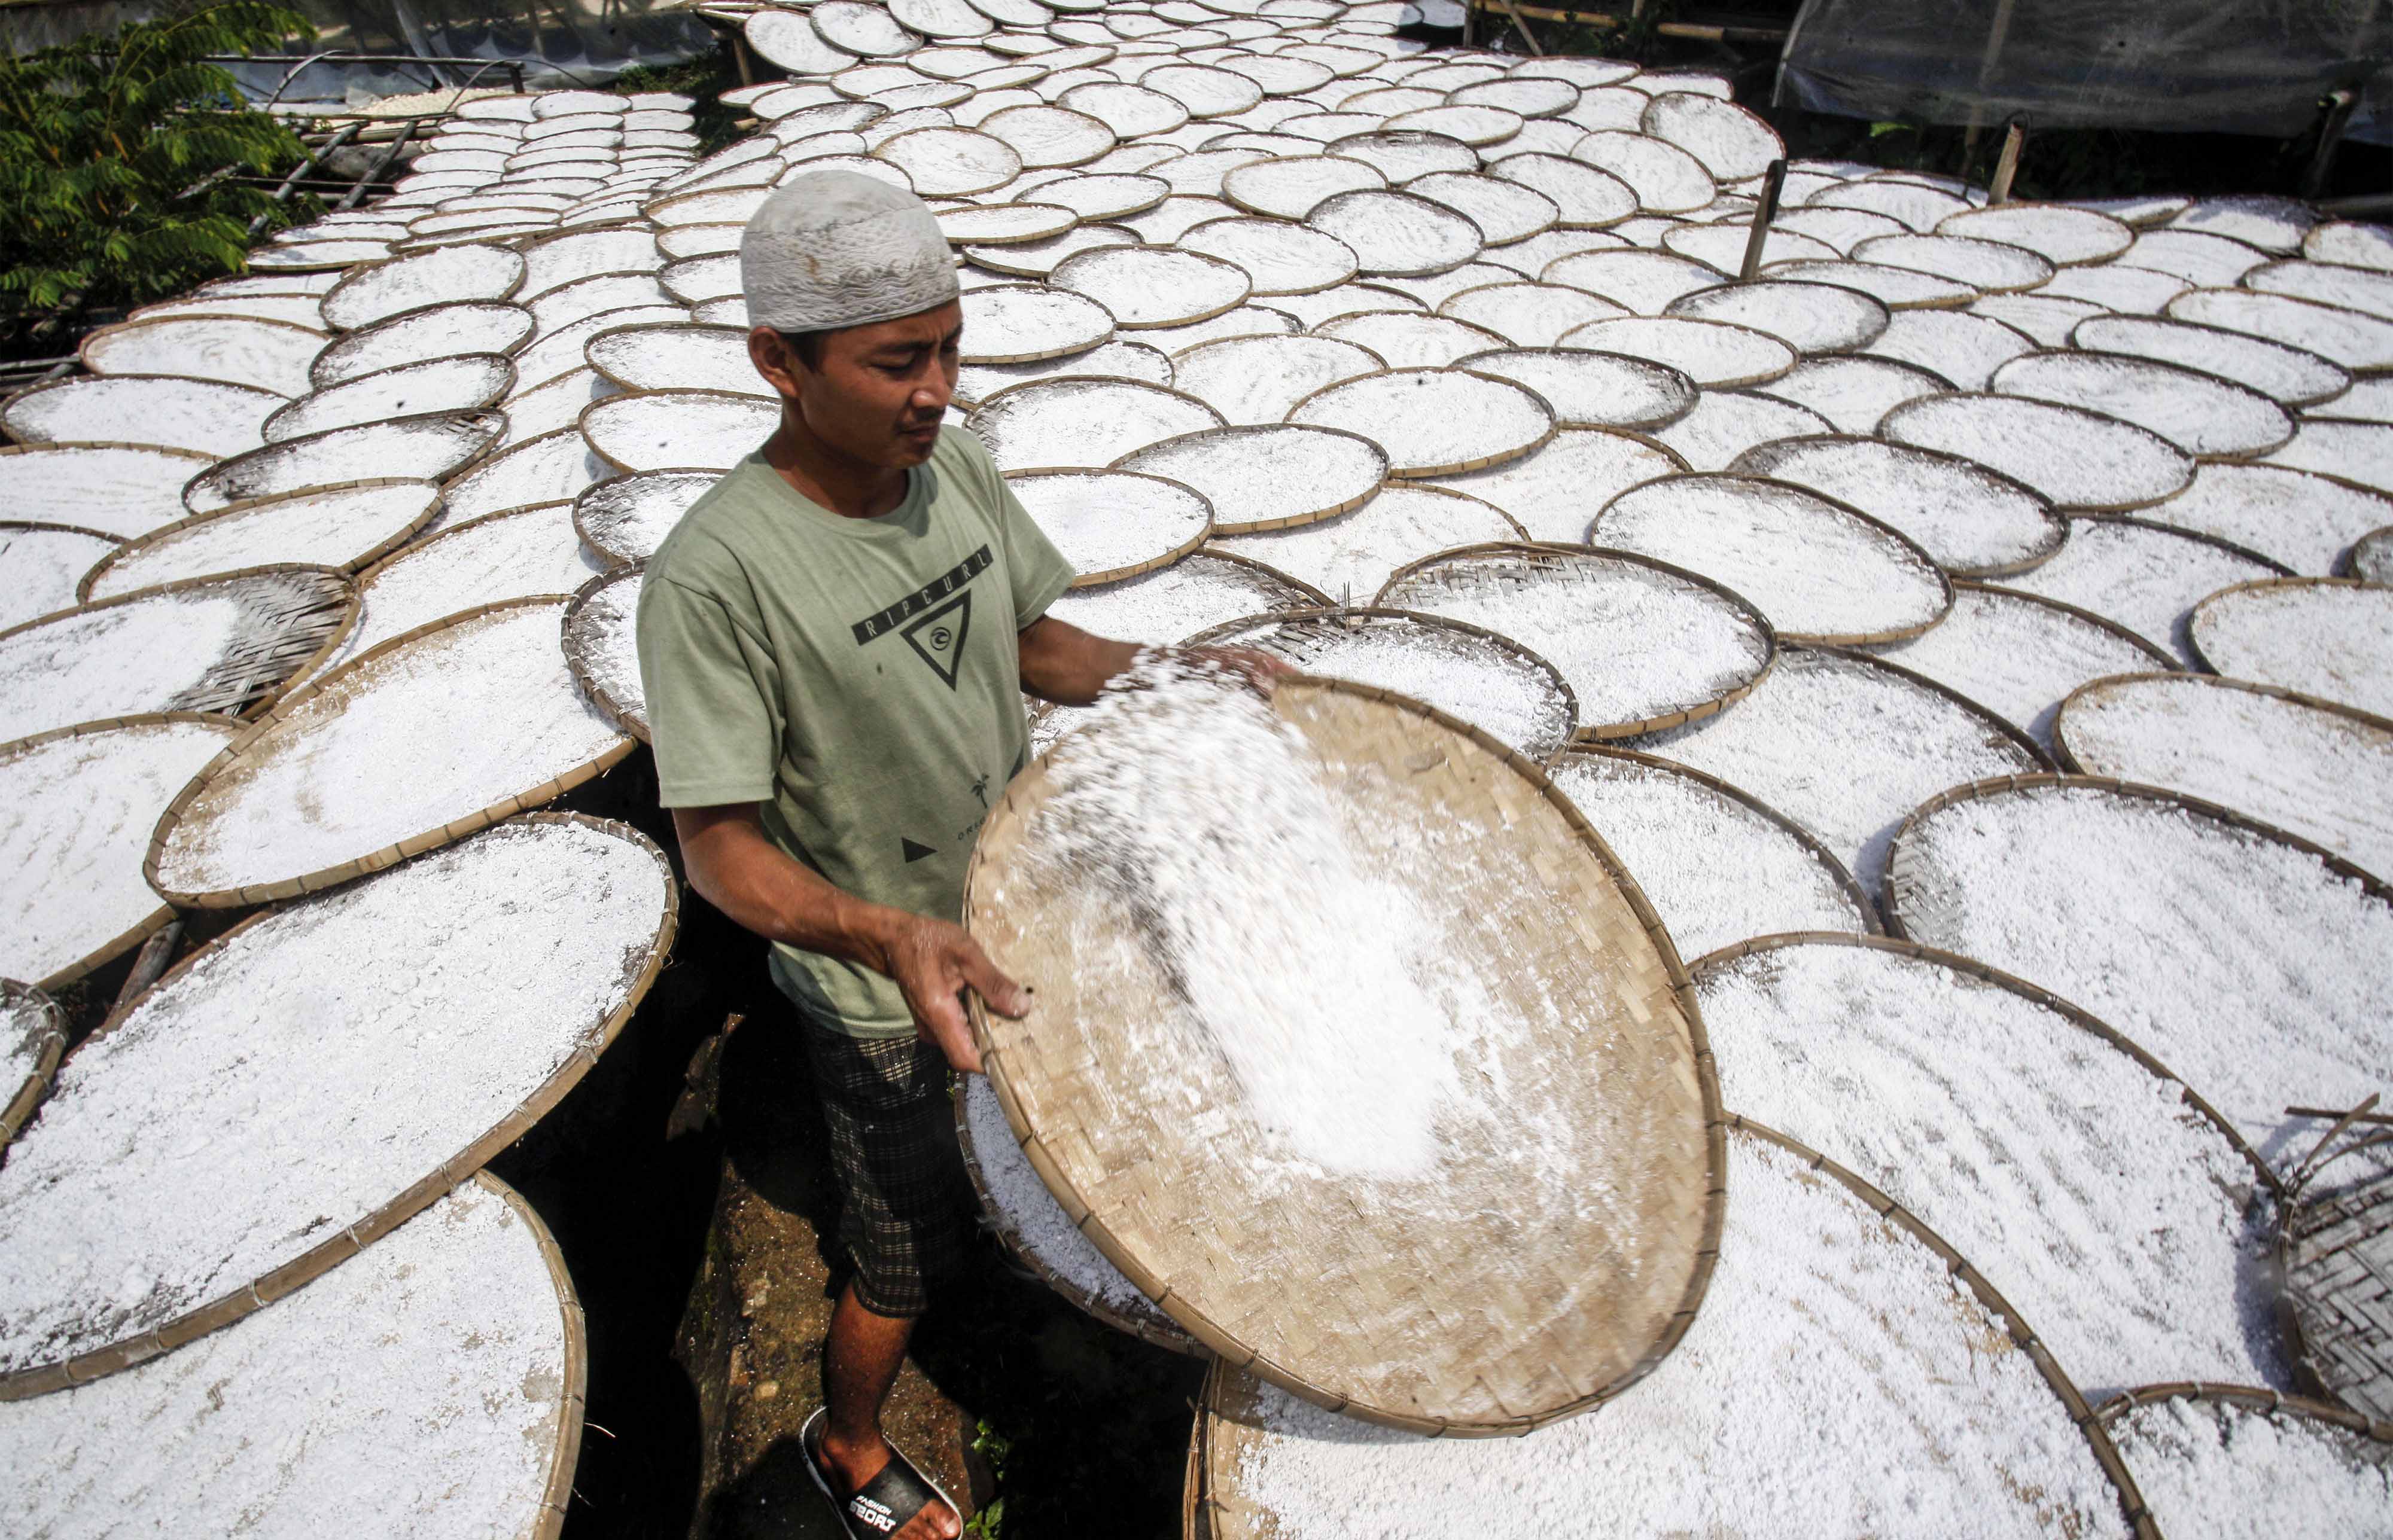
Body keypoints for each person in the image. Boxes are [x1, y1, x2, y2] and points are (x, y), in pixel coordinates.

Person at [635, 169, 1284, 1540]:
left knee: (1051, 1146)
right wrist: (889, 935)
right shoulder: (715, 578)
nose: (936, 390)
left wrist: (1173, 671)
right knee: (901, 1249)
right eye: (895, 362)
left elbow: (1030, 641)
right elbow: (720, 853)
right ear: (779, 363)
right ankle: (848, 1440)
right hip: (882, 990)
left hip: (1017, 919)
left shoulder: (956, 470)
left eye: (948, 349)